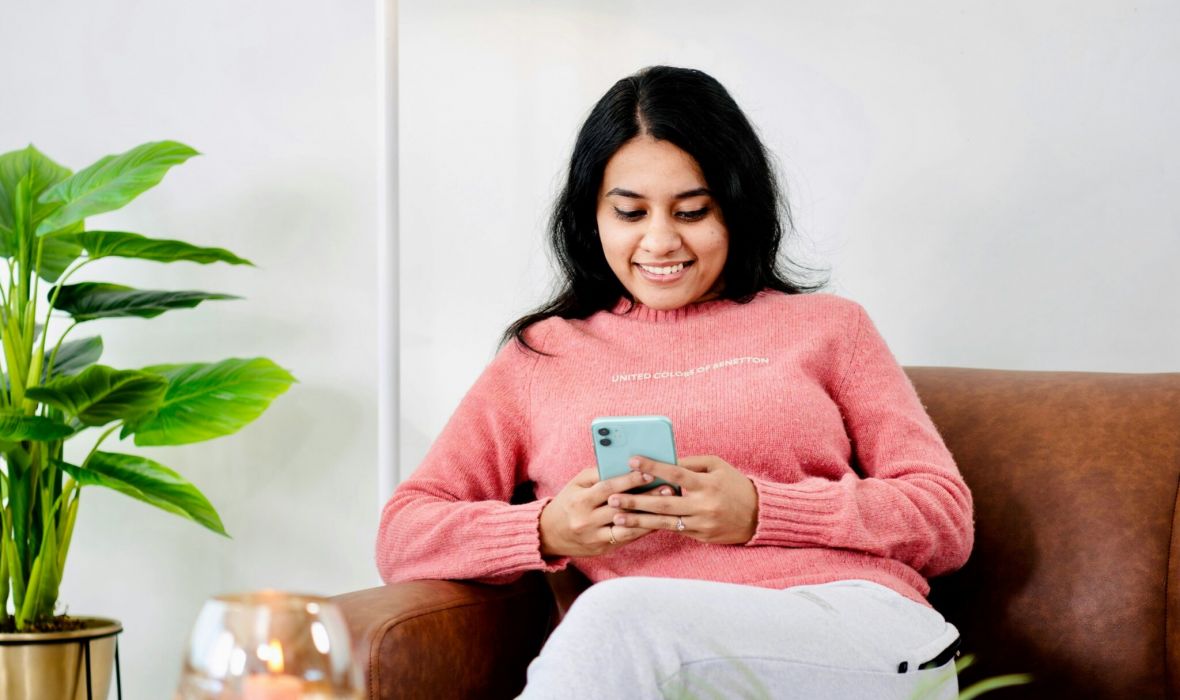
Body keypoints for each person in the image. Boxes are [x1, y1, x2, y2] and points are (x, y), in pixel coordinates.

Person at [377, 65, 973, 699]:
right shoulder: (542, 355)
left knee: (621, 619)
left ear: (736, 208)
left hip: (859, 631)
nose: (659, 241)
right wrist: (547, 529)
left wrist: (763, 511)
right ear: (592, 215)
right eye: (629, 212)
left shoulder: (831, 328)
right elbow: (404, 534)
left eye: (692, 211)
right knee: (629, 624)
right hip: (661, 663)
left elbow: (944, 517)